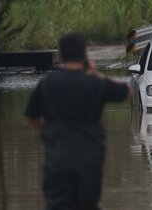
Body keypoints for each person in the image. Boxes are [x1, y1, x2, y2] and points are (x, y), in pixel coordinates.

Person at [25, 32, 131, 210]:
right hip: (89, 160)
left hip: (58, 159)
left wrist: (47, 132)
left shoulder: (46, 84)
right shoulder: (97, 84)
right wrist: (96, 72)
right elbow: (127, 92)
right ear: (84, 55)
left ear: (60, 55)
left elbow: (31, 116)